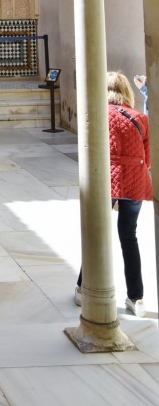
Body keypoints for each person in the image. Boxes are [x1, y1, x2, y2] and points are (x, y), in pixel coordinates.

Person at [75, 71, 152, 317]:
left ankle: (82, 288)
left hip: (104, 179)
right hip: (134, 180)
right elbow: (148, 159)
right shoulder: (141, 118)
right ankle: (136, 298)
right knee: (129, 237)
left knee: (95, 233)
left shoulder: (97, 115)